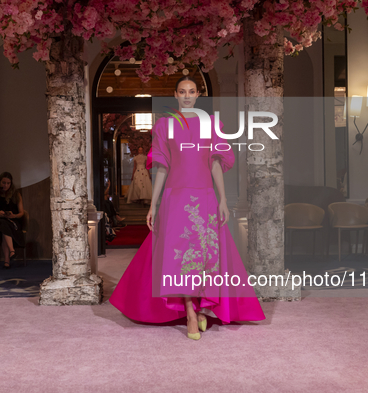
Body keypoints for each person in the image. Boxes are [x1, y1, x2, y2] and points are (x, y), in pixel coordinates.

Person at [110, 76, 265, 340]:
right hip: (175, 197)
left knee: (205, 256)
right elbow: (161, 166)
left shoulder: (210, 123)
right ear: (175, 94)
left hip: (204, 196)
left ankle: (202, 307)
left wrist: (223, 199)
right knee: (178, 257)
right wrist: (154, 203)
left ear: (197, 94)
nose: (186, 96)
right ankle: (190, 311)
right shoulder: (165, 125)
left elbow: (215, 164)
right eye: (182, 91)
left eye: (191, 91)